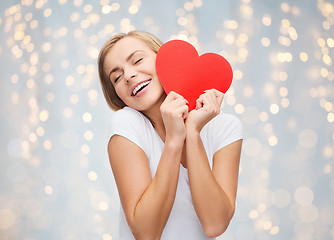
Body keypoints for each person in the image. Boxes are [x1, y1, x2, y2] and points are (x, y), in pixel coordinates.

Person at [98, 31, 243, 240]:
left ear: (164, 58)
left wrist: (192, 132)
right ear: (116, 94)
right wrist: (174, 141)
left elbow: (215, 224)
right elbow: (146, 233)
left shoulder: (226, 127)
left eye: (137, 60)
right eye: (117, 77)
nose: (128, 75)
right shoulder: (125, 124)